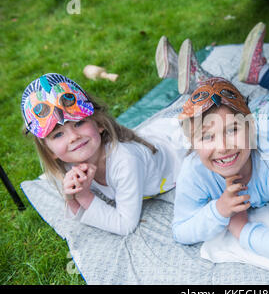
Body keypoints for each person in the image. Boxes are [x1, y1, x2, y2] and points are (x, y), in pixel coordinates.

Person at [172, 77, 269, 266]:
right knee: (238, 102)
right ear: (193, 144)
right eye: (207, 136)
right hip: (262, 109)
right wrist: (219, 211)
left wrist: (243, 230)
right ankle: (203, 77)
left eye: (232, 130)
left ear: (251, 129)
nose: (223, 147)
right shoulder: (194, 170)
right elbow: (180, 231)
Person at [21, 73, 182, 235]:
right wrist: (71, 197)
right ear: (50, 151)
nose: (73, 137)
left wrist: (84, 197)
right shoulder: (69, 161)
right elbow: (76, 211)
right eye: (58, 135)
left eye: (79, 123)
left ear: (98, 124)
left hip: (180, 152)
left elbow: (125, 225)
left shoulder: (126, 161)